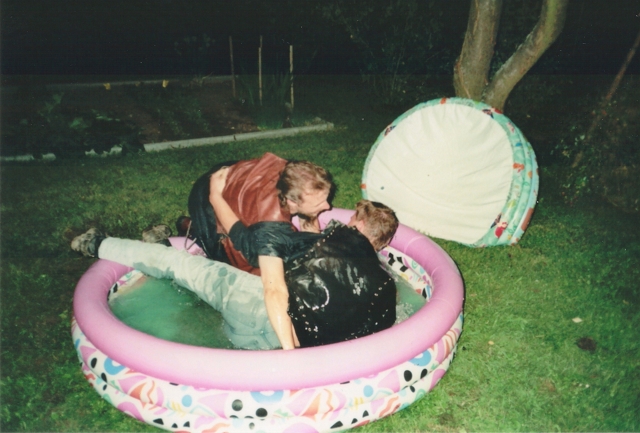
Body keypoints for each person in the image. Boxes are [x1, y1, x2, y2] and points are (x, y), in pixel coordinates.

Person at [71, 199, 399, 350]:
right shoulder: (385, 285)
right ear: (382, 244)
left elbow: (265, 267)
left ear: (357, 223)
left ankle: (96, 243)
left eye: (351, 221)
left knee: (186, 267)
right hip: (263, 344)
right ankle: (165, 249)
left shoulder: (332, 240)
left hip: (257, 308)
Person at [184, 152, 334, 276]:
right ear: (292, 202)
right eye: (319, 204)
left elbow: (308, 215)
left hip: (236, 176)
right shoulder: (270, 229)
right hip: (206, 198)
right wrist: (215, 196)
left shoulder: (295, 175)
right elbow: (242, 240)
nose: (327, 207)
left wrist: (316, 243)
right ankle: (191, 229)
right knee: (237, 261)